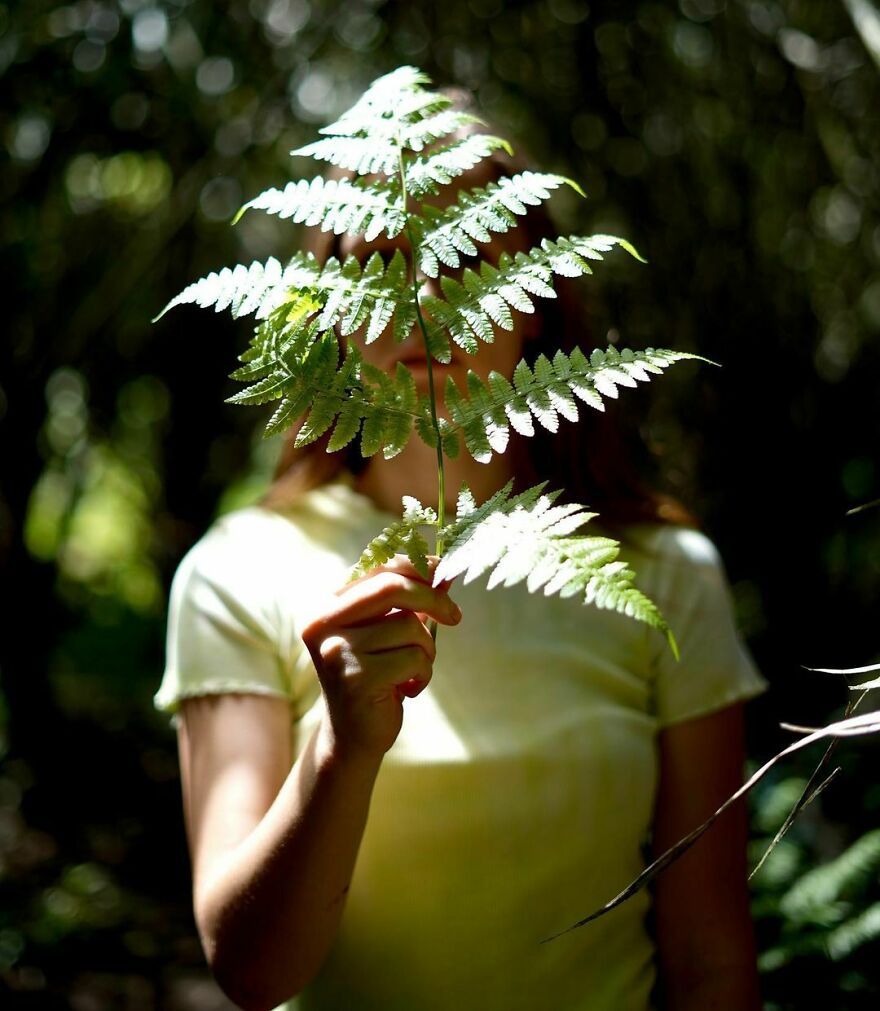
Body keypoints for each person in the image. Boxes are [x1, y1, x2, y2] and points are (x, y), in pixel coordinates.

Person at [156, 104, 768, 1011]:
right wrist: (340, 745)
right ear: (325, 316)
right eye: (378, 268)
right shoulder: (236, 571)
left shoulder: (664, 572)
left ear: (536, 303)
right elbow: (249, 969)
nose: (424, 301)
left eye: (464, 261)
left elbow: (711, 955)